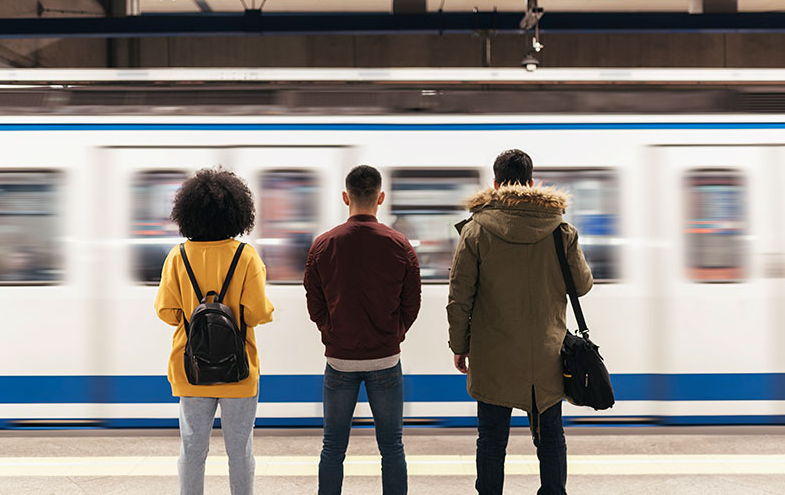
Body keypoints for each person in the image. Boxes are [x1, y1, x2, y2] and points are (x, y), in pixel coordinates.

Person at [447, 150, 593, 495]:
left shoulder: (475, 231)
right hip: (547, 354)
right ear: (531, 183)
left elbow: (459, 298)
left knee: (492, 441)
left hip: (493, 354)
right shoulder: (561, 229)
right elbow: (583, 285)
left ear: (496, 184)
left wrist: (459, 346)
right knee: (551, 437)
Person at [155, 168, 274, 495]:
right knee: (240, 452)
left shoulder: (177, 257)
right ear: (236, 212)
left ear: (188, 212)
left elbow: (165, 312)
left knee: (193, 449)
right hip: (239, 371)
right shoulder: (246, 256)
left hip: (191, 369)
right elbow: (257, 313)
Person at [303, 165, 421, 495]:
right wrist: (393, 334)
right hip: (385, 361)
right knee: (392, 448)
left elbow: (314, 303)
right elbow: (412, 303)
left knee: (333, 447)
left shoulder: (323, 245)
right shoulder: (400, 244)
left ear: (346, 197)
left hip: (339, 362)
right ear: (380, 197)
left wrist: (331, 332)